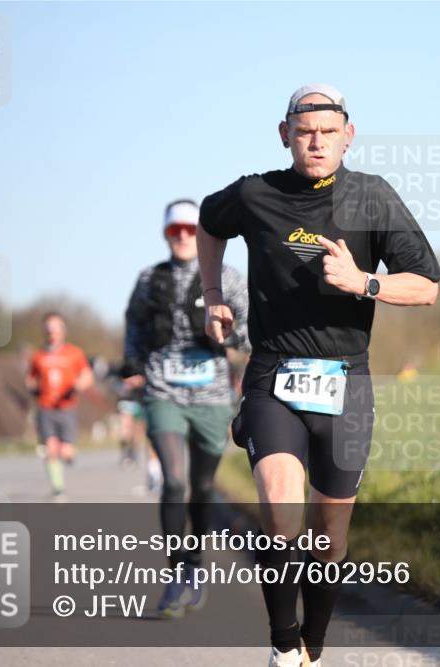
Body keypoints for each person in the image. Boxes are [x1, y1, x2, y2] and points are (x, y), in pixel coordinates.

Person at [198, 84, 440, 667]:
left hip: (346, 382)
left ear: (348, 136)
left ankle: (313, 646)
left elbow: (427, 286)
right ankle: (284, 646)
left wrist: (364, 282)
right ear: (285, 134)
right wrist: (212, 294)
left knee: (329, 536)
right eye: (305, 131)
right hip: (272, 374)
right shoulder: (255, 194)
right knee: (281, 508)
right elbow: (209, 221)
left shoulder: (372, 198)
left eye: (329, 132)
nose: (317, 141)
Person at [122, 198, 250, 618]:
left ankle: (195, 563)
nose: (181, 236)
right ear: (166, 234)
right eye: (173, 230)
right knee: (175, 482)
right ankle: (177, 571)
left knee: (203, 486)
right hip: (163, 392)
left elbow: (252, 331)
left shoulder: (228, 278)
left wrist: (231, 334)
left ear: (200, 233)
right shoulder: (149, 279)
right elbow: (134, 322)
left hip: (212, 397)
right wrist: (134, 363)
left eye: (188, 229)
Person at [25, 312, 93, 497]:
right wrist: (33, 388)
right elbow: (30, 378)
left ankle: (69, 454)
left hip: (67, 407)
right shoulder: (38, 355)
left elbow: (87, 376)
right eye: (48, 328)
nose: (52, 332)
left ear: (63, 330)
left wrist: (77, 387)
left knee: (66, 452)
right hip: (45, 407)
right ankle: (58, 488)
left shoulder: (74, 353)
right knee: (50, 448)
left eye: (56, 328)